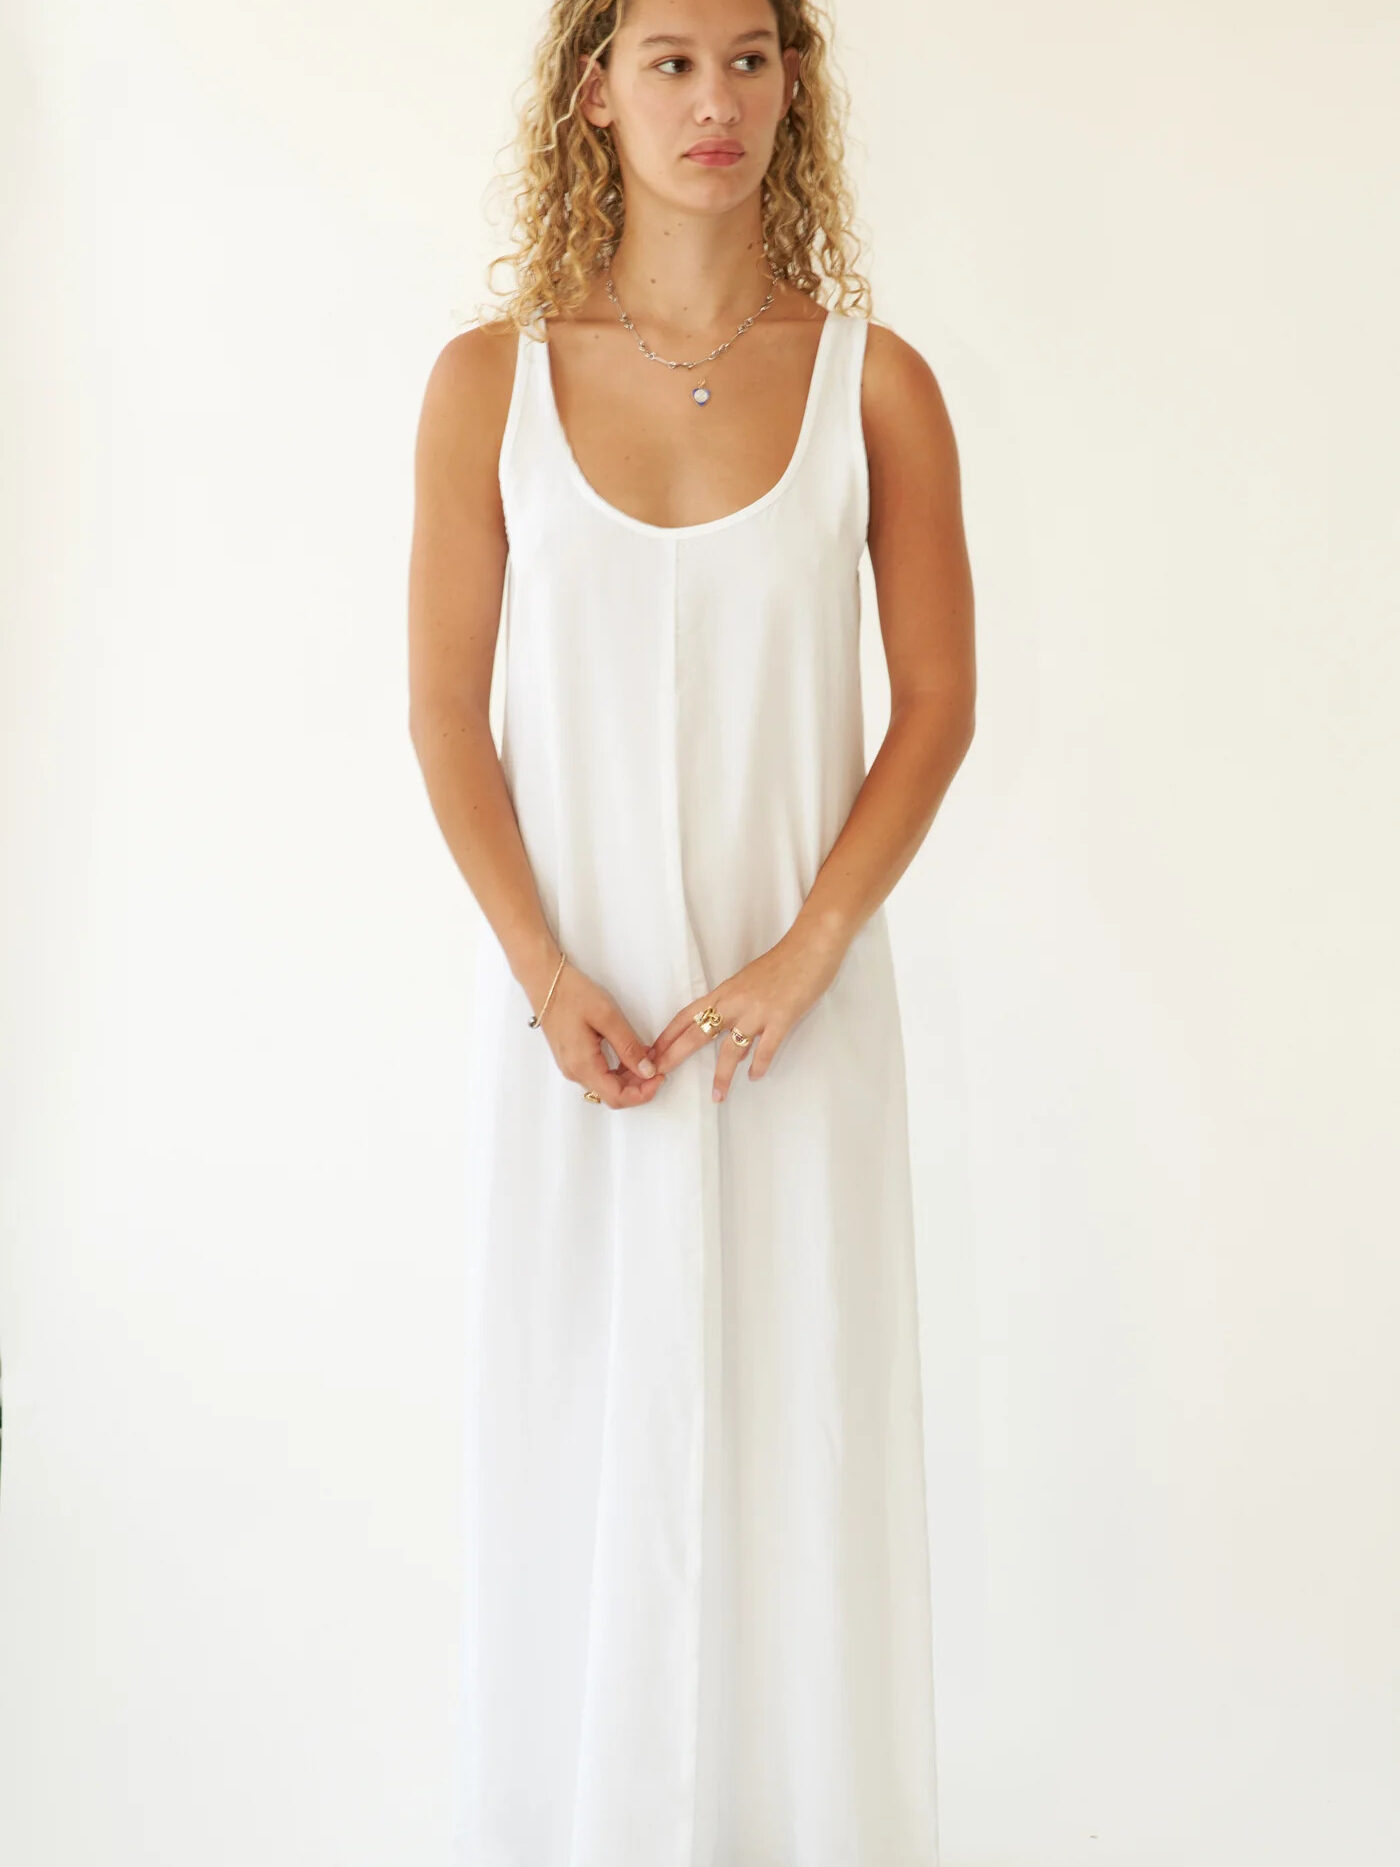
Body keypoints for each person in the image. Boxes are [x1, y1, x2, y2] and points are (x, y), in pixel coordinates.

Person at [407, 1, 975, 1861]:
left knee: (799, 1460)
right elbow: (445, 719)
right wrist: (548, 976)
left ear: (793, 82)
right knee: (577, 1448)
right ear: (596, 87)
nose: (714, 100)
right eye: (670, 58)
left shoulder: (875, 382)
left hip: (795, 1031)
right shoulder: (486, 382)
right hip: (575, 1043)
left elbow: (939, 706)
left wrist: (809, 951)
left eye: (750, 56)